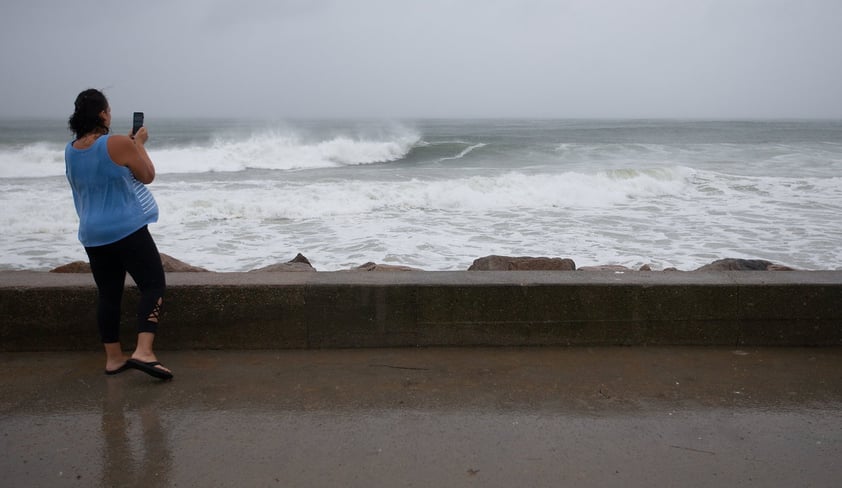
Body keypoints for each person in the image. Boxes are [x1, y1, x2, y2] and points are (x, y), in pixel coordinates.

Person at [65, 88, 173, 380]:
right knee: (153, 284)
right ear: (102, 114)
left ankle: (114, 359)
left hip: (92, 232)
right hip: (126, 228)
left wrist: (129, 144)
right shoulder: (118, 143)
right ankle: (144, 351)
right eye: (108, 109)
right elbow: (147, 175)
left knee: (109, 295)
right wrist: (139, 144)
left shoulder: (71, 150)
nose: (110, 113)